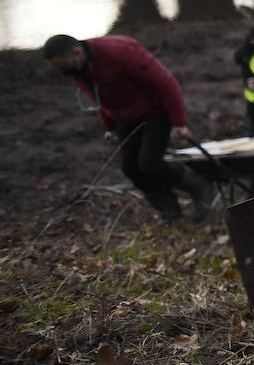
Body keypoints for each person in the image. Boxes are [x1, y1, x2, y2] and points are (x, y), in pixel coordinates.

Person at [43, 34, 215, 223]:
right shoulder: (78, 70)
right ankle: (170, 211)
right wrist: (109, 127)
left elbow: (165, 83)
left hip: (155, 112)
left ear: (76, 53)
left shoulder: (120, 51)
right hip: (125, 118)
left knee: (150, 163)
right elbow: (98, 98)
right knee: (130, 168)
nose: (64, 73)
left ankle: (198, 185)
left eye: (63, 67)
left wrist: (178, 122)